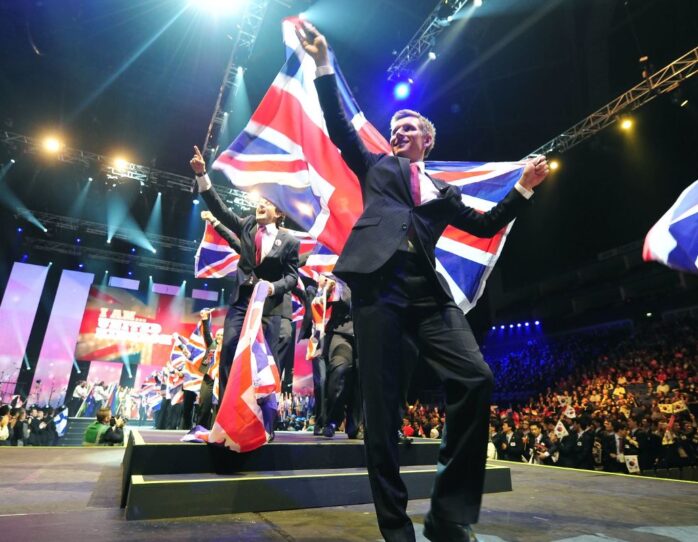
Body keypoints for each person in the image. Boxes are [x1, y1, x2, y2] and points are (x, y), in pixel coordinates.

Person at [296, 21, 549, 542]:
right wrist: (324, 65)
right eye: (395, 127)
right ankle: (396, 530)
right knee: (383, 415)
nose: (398, 132)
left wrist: (522, 189)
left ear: (428, 140)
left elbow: (483, 225)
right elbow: (340, 126)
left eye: (408, 127)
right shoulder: (375, 167)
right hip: (377, 290)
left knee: (476, 378)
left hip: (428, 295)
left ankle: (447, 516)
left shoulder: (443, 190)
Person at [190, 146, 300, 403]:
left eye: (268, 202)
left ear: (279, 213)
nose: (261, 203)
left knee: (264, 360)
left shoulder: (290, 242)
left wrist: (273, 287)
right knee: (229, 350)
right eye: (260, 200)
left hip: (269, 307)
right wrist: (202, 175)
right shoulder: (248, 225)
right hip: (242, 302)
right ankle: (226, 414)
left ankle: (263, 419)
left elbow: (293, 277)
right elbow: (220, 210)